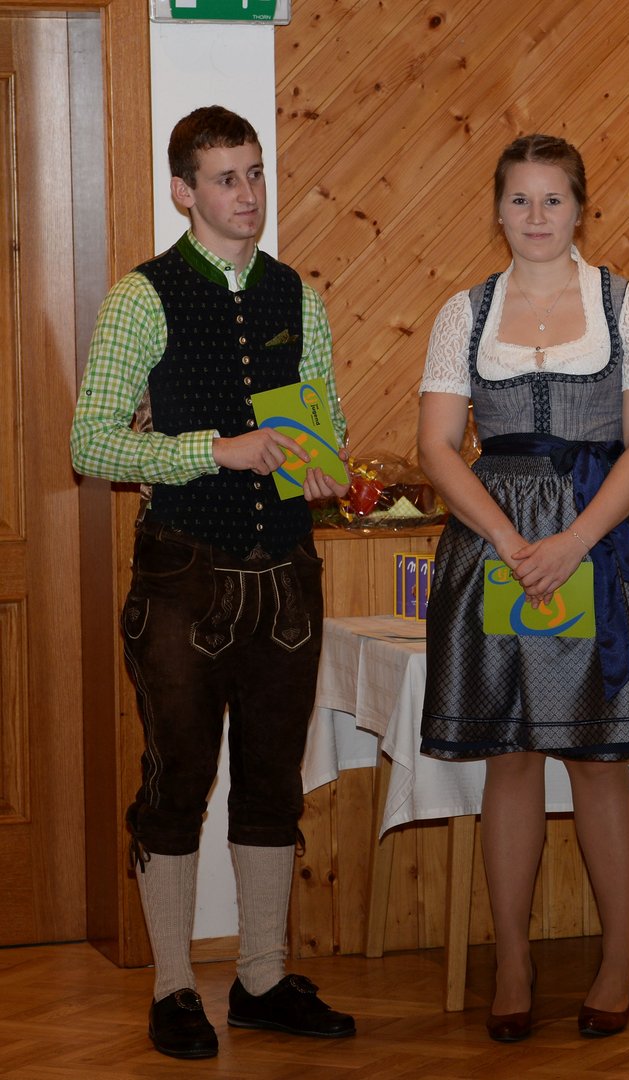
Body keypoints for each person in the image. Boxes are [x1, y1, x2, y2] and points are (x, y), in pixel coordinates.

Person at [68, 105, 356, 1059]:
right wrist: (213, 448)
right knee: (178, 780)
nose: (248, 194)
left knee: (273, 783)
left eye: (256, 173)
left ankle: (262, 979)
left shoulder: (295, 295)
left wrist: (321, 466)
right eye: (227, 178)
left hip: (288, 576)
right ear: (183, 191)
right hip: (183, 577)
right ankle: (174, 989)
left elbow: (325, 430)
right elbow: (89, 443)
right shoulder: (140, 297)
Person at [416, 133, 629, 1046]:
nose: (536, 216)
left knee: (599, 758)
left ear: (579, 208)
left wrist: (573, 541)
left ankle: (619, 954)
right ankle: (512, 960)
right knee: (510, 755)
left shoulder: (627, 303)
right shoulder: (464, 312)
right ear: (498, 209)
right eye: (520, 200)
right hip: (493, 546)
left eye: (553, 199)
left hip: (593, 539)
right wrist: (505, 539)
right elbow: (436, 447)